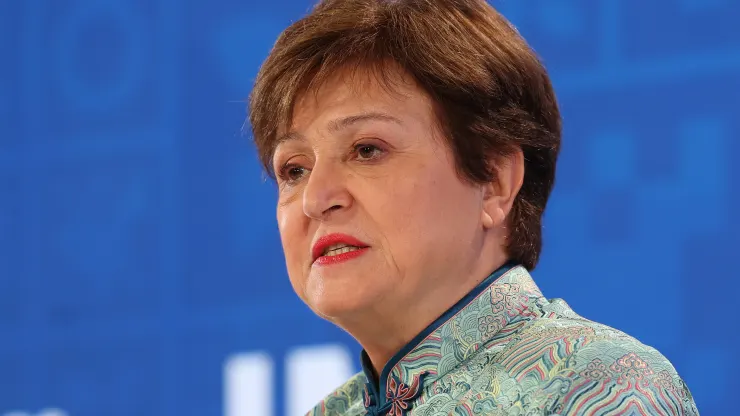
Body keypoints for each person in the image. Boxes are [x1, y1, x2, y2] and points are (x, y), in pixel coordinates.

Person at [247, 0, 698, 414]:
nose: (315, 199)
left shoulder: (600, 385)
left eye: (367, 150)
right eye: (294, 170)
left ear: (495, 182)